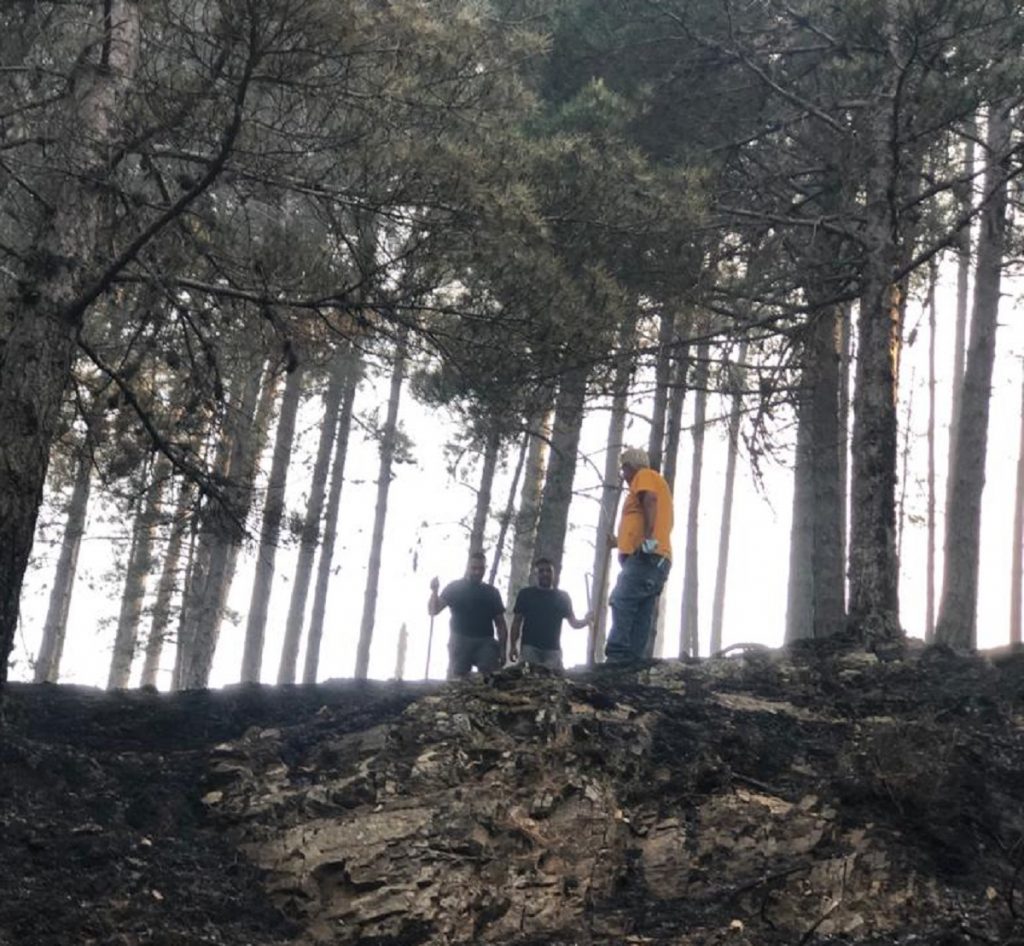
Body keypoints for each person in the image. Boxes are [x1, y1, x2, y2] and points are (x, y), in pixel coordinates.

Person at [605, 446, 673, 663]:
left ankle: (617, 654)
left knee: (622, 598)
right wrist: (619, 542)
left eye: (624, 469)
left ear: (631, 466)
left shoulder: (644, 476)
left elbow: (650, 500)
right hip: (657, 557)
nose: (623, 475)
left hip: (647, 555)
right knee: (641, 607)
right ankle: (633, 660)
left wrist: (649, 538)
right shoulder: (651, 481)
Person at [428, 550, 508, 679]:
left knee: (491, 676)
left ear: (485, 569)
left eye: (481, 569)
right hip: (460, 639)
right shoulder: (454, 588)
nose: (477, 572)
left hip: (485, 641)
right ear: (468, 567)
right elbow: (433, 610)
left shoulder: (491, 592)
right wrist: (434, 591)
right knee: (458, 677)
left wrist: (503, 649)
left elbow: (500, 624)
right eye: (474, 568)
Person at [509, 558, 592, 671]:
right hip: (530, 648)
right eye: (541, 571)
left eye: (548, 571)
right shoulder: (526, 594)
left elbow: (574, 623)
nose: (545, 574)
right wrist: (513, 646)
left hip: (553, 650)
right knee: (529, 678)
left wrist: (587, 620)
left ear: (554, 574)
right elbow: (516, 622)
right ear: (535, 574)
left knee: (553, 679)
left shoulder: (562, 597)